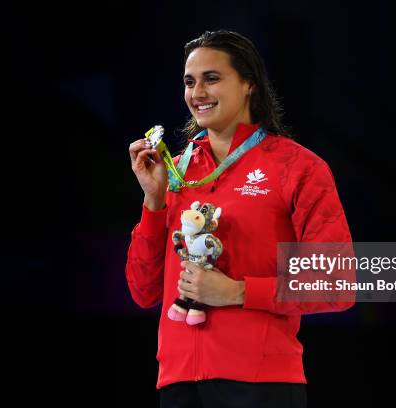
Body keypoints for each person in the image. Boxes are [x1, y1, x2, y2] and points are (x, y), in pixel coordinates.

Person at [126, 30, 354, 408]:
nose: (197, 92)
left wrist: (238, 291)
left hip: (260, 382)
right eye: (189, 81)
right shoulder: (176, 173)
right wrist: (153, 203)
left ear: (249, 84)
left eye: (212, 78)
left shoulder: (297, 167)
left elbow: (336, 280)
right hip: (178, 383)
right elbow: (144, 291)